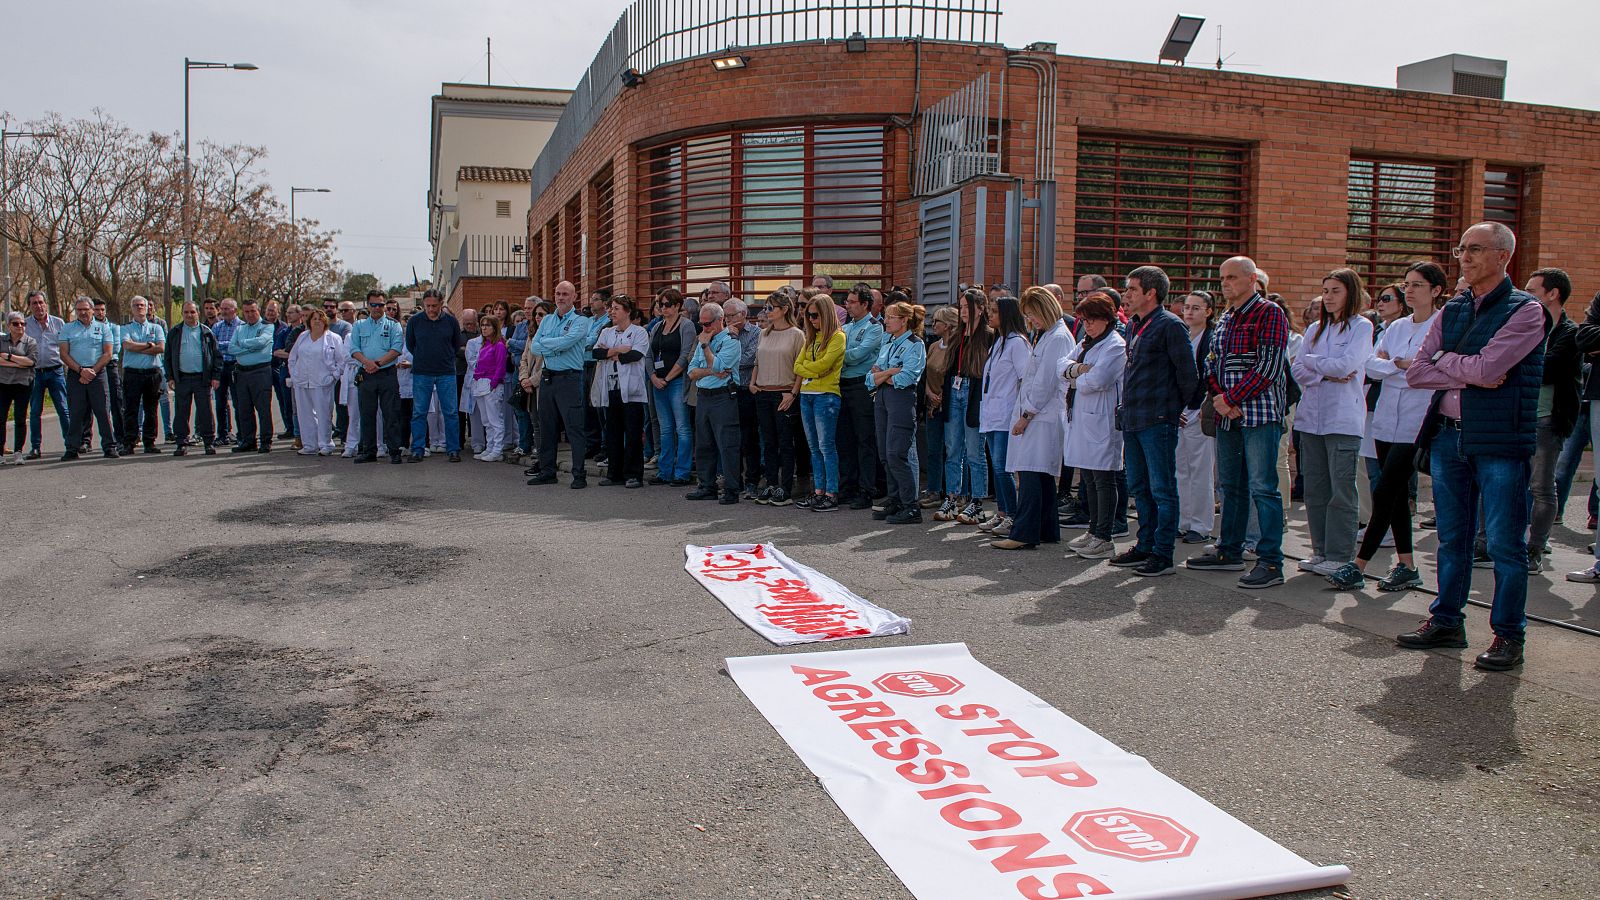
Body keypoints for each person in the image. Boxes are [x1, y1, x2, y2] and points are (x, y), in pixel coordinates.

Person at [1403, 222, 1544, 672]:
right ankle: (1446, 620)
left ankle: (1508, 634)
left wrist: (1448, 362)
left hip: (1499, 439)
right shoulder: (1454, 308)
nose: (1464, 256)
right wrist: (1460, 365)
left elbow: (1490, 369)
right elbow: (1416, 372)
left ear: (1503, 256)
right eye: (1460, 247)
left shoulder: (1526, 311)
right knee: (1451, 539)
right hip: (1448, 435)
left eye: (1475, 249)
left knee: (1504, 543)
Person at [1326, 262, 1446, 592]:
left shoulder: (1442, 324)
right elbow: (1372, 365)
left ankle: (1359, 564)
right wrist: (1400, 365)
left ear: (1436, 291)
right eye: (1406, 284)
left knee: (1385, 490)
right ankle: (1407, 565)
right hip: (1385, 418)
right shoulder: (1397, 326)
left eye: (1417, 285)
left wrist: (1401, 366)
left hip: (1415, 418)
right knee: (1391, 494)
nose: (1408, 291)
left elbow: (1427, 368)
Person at [1187, 256, 1290, 588]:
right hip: (1227, 416)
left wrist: (1231, 399)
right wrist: (1220, 397)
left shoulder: (1269, 313)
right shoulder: (1228, 317)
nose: (1225, 283)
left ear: (1252, 280)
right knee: (1231, 487)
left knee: (1263, 487)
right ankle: (1228, 550)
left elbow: (1269, 367)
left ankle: (1271, 562)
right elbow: (1212, 364)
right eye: (1222, 278)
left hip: (1259, 416)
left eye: (1232, 277)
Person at [1109, 266, 1196, 577]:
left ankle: (1162, 552)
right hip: (1133, 418)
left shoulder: (1170, 326)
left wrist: (1172, 409)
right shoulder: (1134, 325)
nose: (1126, 294)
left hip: (1157, 419)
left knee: (1162, 488)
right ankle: (1144, 544)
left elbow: (1188, 375)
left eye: (1132, 289)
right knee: (1140, 488)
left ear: (1151, 293)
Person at [1290, 269, 1374, 577]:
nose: (1327, 296)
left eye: (1335, 290)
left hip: (1343, 420)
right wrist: (1325, 372)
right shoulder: (1314, 329)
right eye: (1325, 290)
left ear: (1350, 293)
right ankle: (1320, 550)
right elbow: (1297, 369)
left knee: (1341, 490)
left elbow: (1348, 365)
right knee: (1315, 488)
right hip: (1311, 420)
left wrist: (1315, 365)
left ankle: (1340, 554)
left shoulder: (1361, 327)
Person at [993, 287, 1074, 550]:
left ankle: (1024, 533)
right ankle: (1047, 530)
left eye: (1033, 315)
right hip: (1039, 414)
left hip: (1041, 416)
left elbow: (1045, 382)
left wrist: (1026, 415)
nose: (1031, 321)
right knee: (1040, 476)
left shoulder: (1058, 337)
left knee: (1030, 475)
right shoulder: (1048, 335)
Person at [1523, 268, 1580, 575]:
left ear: (1552, 294)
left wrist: (1519, 362)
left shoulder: (1569, 332)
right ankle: (1497, 542)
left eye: (1532, 291)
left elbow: (1550, 369)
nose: (1525, 296)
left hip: (1548, 419)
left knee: (1542, 487)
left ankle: (1534, 548)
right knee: (1512, 484)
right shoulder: (1525, 326)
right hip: (1519, 416)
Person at [1062, 294, 1127, 561]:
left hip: (1102, 419)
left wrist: (1074, 377)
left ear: (1106, 319)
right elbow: (1061, 366)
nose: (1087, 325)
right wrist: (1079, 371)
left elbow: (1099, 379)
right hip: (1083, 416)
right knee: (1088, 476)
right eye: (1084, 320)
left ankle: (1104, 537)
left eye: (1092, 320)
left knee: (1103, 479)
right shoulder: (1087, 343)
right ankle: (1093, 531)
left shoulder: (1114, 345)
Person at [527, 280, 591, 488]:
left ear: (574, 297)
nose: (561, 297)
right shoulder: (546, 321)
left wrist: (549, 344)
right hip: (548, 378)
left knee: (574, 429)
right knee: (547, 428)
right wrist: (556, 346)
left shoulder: (581, 321)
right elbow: (535, 348)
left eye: (565, 294)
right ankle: (547, 472)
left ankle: (579, 475)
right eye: (558, 293)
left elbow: (567, 342)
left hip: (569, 379)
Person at [871, 297, 927, 524]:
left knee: (897, 453)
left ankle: (910, 506)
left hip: (901, 399)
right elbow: (871, 376)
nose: (885, 320)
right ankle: (895, 500)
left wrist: (885, 375)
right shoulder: (888, 341)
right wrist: (888, 373)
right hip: (883, 397)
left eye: (891, 317)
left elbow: (906, 377)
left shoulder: (915, 344)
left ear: (904, 320)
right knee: (885, 453)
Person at [977, 295, 1029, 537]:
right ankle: (1001, 512)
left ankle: (1012, 515)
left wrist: (1022, 414)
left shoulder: (1018, 343)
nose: (990, 315)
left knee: (1002, 467)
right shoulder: (999, 341)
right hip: (991, 412)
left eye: (995, 311)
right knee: (997, 466)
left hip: (1007, 413)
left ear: (1007, 314)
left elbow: (1025, 378)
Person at [749, 290, 805, 506]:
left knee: (785, 442)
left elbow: (800, 368)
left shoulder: (796, 334)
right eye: (766, 307)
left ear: (784, 310)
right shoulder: (764, 333)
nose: (767, 311)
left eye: (771, 308)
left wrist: (793, 393)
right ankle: (771, 483)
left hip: (784, 393)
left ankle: (786, 488)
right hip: (763, 392)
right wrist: (753, 383)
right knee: (768, 441)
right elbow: (757, 361)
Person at [685, 302, 743, 504]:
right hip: (704, 396)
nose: (704, 328)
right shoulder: (704, 337)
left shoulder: (730, 340)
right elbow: (692, 371)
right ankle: (706, 486)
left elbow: (720, 365)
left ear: (720, 320)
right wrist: (711, 370)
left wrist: (705, 347)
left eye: (708, 324)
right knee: (704, 444)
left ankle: (731, 489)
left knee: (727, 445)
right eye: (702, 324)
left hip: (723, 397)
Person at [793, 294, 846, 511]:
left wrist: (811, 370)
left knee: (826, 447)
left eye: (815, 315)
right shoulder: (811, 338)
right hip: (807, 395)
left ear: (825, 314)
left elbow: (825, 364)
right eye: (808, 315)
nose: (812, 319)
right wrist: (814, 372)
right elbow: (797, 365)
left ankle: (831, 493)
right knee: (814, 447)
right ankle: (818, 491)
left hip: (826, 395)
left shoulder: (837, 337)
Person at [591, 296, 651, 487]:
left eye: (616, 308)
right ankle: (613, 473)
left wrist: (612, 353)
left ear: (627, 311)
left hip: (631, 390)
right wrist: (617, 350)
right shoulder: (606, 331)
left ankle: (633, 474)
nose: (612, 312)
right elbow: (596, 353)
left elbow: (636, 354)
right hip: (610, 388)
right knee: (612, 432)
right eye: (611, 308)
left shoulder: (639, 332)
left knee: (633, 432)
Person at [945, 289, 993, 524]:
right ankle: (952, 497)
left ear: (981, 308)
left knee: (975, 450)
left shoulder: (989, 335)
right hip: (955, 389)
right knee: (953, 447)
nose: (963, 311)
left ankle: (977, 501)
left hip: (975, 391)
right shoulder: (957, 334)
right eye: (961, 306)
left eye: (968, 307)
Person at [1176, 291, 1217, 544]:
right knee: (1180, 469)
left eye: (1196, 308)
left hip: (1199, 410)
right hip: (1178, 412)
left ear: (1208, 312)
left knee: (1200, 471)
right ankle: (1183, 520)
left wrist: (1202, 405)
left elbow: (1209, 376)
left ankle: (1201, 526)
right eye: (1187, 308)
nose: (1189, 312)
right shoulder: (1182, 336)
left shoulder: (1210, 339)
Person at [405, 289, 464, 463]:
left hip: (446, 371)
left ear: (441, 303)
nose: (431, 309)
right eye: (428, 306)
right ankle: (418, 449)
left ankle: (453, 449)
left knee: (451, 412)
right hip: (422, 372)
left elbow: (456, 345)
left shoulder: (451, 322)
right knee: (419, 413)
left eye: (434, 306)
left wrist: (444, 357)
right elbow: (410, 344)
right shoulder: (415, 321)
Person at [348, 290, 406, 464]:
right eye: (373, 304)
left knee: (391, 414)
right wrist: (367, 363)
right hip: (366, 374)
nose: (377, 308)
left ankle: (394, 450)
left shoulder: (393, 325)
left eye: (380, 304)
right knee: (367, 414)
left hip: (386, 373)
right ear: (367, 305)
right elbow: (354, 349)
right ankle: (368, 451)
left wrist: (378, 364)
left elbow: (396, 349)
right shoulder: (359, 325)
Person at [838, 284, 882, 508]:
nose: (848, 305)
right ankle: (848, 486)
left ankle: (867, 489)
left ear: (865, 304)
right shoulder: (846, 327)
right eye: (848, 301)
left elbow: (858, 355)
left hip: (861, 387)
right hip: (842, 385)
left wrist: (835, 355)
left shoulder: (874, 327)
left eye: (853, 302)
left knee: (864, 439)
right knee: (845, 439)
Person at [58, 298, 117, 460]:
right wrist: (81, 370)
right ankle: (72, 448)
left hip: (98, 374)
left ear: (92, 310)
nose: (82, 313)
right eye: (79, 310)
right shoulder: (67, 328)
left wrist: (92, 371)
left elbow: (108, 353)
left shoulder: (103, 328)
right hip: (76, 374)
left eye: (85, 309)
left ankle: (109, 446)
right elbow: (64, 353)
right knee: (76, 412)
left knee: (103, 411)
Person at [648, 289, 697, 486]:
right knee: (665, 428)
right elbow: (649, 354)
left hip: (675, 382)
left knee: (682, 427)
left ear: (677, 306)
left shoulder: (687, 326)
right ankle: (664, 470)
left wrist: (667, 378)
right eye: (661, 304)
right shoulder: (657, 327)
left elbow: (685, 356)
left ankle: (682, 472)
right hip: (657, 382)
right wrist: (653, 377)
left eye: (667, 304)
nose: (663, 308)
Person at [162, 300, 219, 456]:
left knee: (205, 411)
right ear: (182, 314)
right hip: (182, 379)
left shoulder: (206, 332)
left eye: (192, 312)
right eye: (186, 312)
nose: (189, 315)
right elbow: (167, 357)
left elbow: (216, 356)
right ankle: (181, 443)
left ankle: (208, 442)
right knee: (181, 412)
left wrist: (215, 376)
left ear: (197, 313)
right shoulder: (175, 332)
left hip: (202, 379)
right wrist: (170, 377)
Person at [287, 308, 345, 456]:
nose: (317, 321)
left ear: (325, 321)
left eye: (320, 318)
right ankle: (309, 444)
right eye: (314, 318)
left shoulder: (333, 338)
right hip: (302, 381)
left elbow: (341, 361)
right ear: (309, 322)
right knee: (304, 414)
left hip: (322, 381)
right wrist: (294, 375)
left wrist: (333, 376)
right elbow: (293, 357)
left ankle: (326, 444)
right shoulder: (303, 336)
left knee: (323, 413)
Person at [920, 306, 959, 511]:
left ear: (949, 325)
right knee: (933, 449)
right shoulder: (934, 346)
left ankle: (955, 491)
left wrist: (942, 397)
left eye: (937, 321)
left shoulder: (957, 347)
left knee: (953, 449)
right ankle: (934, 490)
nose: (933, 325)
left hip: (950, 402)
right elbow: (927, 372)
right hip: (932, 403)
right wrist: (929, 394)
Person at [22, 291, 68, 459]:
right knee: (35, 411)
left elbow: (65, 348)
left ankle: (70, 444)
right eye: (34, 303)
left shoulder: (59, 323)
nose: (38, 306)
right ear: (30, 306)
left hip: (55, 371)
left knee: (63, 408)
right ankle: (35, 447)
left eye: (41, 302)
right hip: (34, 373)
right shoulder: (25, 325)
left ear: (46, 304)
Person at [227, 299, 277, 454]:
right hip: (242, 373)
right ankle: (249, 441)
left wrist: (242, 344)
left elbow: (262, 342)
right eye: (246, 311)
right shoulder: (240, 328)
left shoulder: (267, 326)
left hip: (261, 372)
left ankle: (266, 441)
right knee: (244, 409)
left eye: (253, 311)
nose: (249, 314)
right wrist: (250, 347)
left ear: (258, 310)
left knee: (263, 408)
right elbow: (231, 348)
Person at [118, 296, 166, 455]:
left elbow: (160, 348)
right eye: (136, 305)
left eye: (142, 305)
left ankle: (149, 442)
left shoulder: (156, 328)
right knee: (130, 409)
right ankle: (129, 442)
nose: (139, 308)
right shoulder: (125, 328)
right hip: (133, 374)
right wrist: (148, 345)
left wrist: (139, 348)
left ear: (147, 308)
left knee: (151, 409)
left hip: (152, 374)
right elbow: (127, 346)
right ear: (131, 308)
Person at [724, 298, 763, 495]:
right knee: (731, 439)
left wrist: (728, 354)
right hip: (726, 390)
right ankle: (733, 480)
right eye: (726, 316)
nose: (728, 320)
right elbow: (716, 358)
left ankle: (752, 481)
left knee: (749, 438)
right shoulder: (723, 333)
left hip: (747, 390)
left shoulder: (756, 333)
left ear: (744, 315)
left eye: (732, 316)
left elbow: (749, 358)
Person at [470, 314, 510, 462]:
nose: (484, 328)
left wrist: (494, 383)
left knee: (495, 419)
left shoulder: (499, 345)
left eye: (488, 325)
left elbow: (501, 367)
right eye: (482, 325)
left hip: (491, 384)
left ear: (495, 328)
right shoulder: (484, 345)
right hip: (480, 383)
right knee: (486, 420)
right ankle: (490, 447)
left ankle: (497, 449)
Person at [0, 312, 38, 464]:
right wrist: (19, 362)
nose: (20, 326)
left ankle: (18, 452)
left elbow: (30, 362)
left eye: (23, 323)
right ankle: (1, 454)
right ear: (9, 325)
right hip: (3, 383)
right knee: (1, 418)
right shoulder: (2, 340)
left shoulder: (30, 341)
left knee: (20, 418)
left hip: (23, 383)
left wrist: (8, 357)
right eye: (16, 324)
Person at [90, 298, 126, 451]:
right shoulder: (87, 328)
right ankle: (86, 440)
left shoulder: (114, 327)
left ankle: (120, 438)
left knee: (116, 403)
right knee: (89, 405)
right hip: (90, 367)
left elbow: (115, 349)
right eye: (97, 310)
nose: (100, 312)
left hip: (109, 366)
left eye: (102, 310)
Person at [211, 297, 240, 445]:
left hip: (236, 366)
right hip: (220, 366)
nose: (223, 311)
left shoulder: (241, 326)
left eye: (226, 308)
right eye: (222, 308)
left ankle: (241, 434)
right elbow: (214, 346)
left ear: (234, 310)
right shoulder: (217, 327)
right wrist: (230, 345)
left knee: (238, 401)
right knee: (220, 403)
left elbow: (238, 345)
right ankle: (222, 434)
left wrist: (227, 345)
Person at [268, 301, 297, 442]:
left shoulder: (304, 331)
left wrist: (289, 353)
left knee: (301, 403)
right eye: (288, 313)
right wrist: (295, 354)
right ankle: (290, 428)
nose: (289, 315)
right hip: (285, 369)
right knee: (285, 400)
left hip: (302, 370)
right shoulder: (284, 332)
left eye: (292, 312)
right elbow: (277, 352)